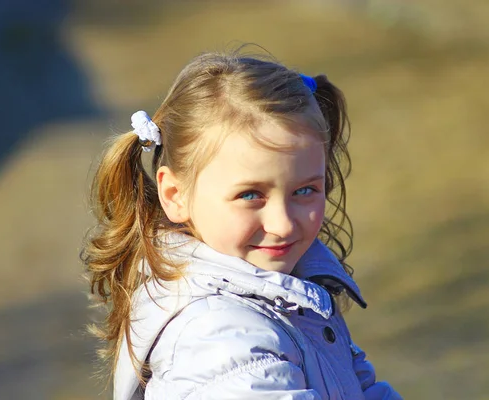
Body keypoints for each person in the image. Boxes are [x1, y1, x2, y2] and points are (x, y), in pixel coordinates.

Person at [82, 49, 403, 400]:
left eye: (305, 190)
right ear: (175, 195)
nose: (282, 224)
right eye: (250, 195)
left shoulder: (290, 291)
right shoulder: (220, 336)